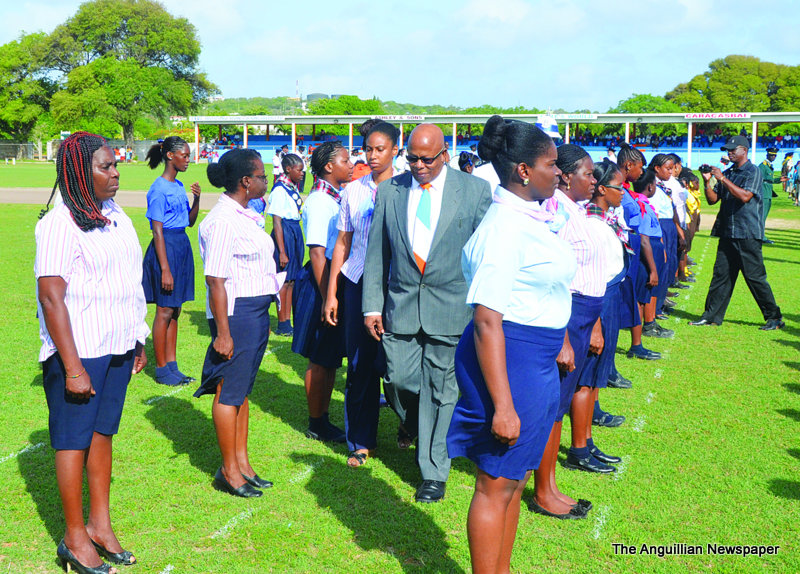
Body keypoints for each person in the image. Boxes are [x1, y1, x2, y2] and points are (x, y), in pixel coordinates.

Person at [446, 116, 577, 572]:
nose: (559, 173)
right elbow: (486, 320)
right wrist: (502, 405)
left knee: (514, 479)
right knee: (495, 482)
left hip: (534, 357)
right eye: (551, 165)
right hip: (510, 357)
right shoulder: (503, 228)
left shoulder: (530, 217)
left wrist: (558, 337)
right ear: (523, 171)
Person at [36, 131, 148, 573]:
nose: (116, 173)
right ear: (81, 172)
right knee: (73, 442)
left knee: (104, 434)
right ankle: (74, 536)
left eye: (116, 164)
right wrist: (73, 366)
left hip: (116, 344)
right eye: (106, 166)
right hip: (80, 353)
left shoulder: (116, 214)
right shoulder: (59, 224)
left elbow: (129, 279)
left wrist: (137, 336)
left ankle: (100, 525)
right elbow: (51, 298)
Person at [363, 124, 492, 503]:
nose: (419, 166)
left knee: (441, 390)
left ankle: (433, 472)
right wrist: (373, 304)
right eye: (412, 158)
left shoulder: (474, 191)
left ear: (445, 154)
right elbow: (376, 253)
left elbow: (485, 253)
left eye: (427, 159)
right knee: (399, 380)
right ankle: (418, 426)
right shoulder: (390, 189)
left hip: (452, 309)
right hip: (400, 307)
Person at [195, 148, 284, 498]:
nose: (266, 180)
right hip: (237, 314)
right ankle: (229, 471)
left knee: (241, 391)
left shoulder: (245, 214)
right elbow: (215, 279)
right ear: (246, 181)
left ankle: (243, 464)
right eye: (262, 176)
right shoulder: (222, 221)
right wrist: (224, 333)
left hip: (255, 312)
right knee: (229, 393)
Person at [531, 144, 601, 518]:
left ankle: (551, 485)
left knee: (558, 407)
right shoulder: (555, 211)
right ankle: (544, 491)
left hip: (581, 315)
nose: (594, 180)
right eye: (588, 174)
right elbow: (552, 279)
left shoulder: (575, 209)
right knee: (553, 408)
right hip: (565, 318)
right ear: (568, 175)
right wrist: (562, 338)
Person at [323, 122, 398, 467]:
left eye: (379, 149)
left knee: (399, 364)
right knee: (360, 365)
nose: (372, 155)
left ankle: (408, 426)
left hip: (398, 287)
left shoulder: (408, 189)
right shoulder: (353, 191)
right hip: (357, 282)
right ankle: (361, 440)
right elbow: (342, 242)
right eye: (368, 149)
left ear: (395, 150)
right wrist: (331, 293)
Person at [567, 160, 631, 474]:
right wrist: (594, 325)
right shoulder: (590, 222)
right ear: (603, 189)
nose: (624, 192)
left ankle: (588, 442)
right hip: (598, 302)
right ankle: (578, 449)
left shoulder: (601, 219)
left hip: (609, 297)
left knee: (595, 381)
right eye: (620, 187)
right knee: (585, 380)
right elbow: (588, 274)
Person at [292, 141, 353, 442]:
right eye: (345, 159)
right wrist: (327, 296)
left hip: (332, 281)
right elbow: (317, 253)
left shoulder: (336, 197)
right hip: (322, 281)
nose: (351, 163)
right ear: (329, 166)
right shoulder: (319, 201)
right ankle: (317, 422)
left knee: (329, 358)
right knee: (320, 358)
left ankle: (324, 417)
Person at [689, 136, 784, 330]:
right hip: (728, 231)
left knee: (755, 277)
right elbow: (713, 199)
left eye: (733, 149)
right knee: (721, 276)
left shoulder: (753, 171)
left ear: (744, 151)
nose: (729, 153)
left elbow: (745, 196)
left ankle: (774, 317)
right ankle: (711, 316)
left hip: (747, 232)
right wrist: (708, 182)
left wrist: (722, 178)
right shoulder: (730, 171)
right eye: (727, 150)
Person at [141, 136, 201, 386]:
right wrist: (165, 269)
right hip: (165, 248)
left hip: (180, 245)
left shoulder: (178, 186)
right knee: (164, 310)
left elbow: (188, 221)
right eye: (184, 155)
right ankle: (161, 368)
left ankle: (173, 365)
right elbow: (157, 231)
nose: (188, 160)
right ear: (170, 156)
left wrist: (197, 199)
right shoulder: (158, 189)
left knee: (175, 309)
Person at [260, 153, 305, 336]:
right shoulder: (279, 190)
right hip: (284, 232)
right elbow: (276, 221)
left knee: (292, 280)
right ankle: (282, 322)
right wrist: (282, 251)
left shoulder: (291, 186)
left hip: (294, 230)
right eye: (299, 170)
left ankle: (288, 321)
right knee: (283, 280)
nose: (302, 173)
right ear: (288, 169)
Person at [758, 146, 785, 243]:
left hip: (768, 193)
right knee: (761, 216)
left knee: (763, 216)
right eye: (771, 155)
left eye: (774, 156)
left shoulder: (769, 166)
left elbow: (770, 180)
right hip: (764, 193)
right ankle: (761, 237)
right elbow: (760, 179)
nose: (773, 157)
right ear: (767, 155)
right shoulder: (763, 166)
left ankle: (761, 236)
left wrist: (779, 180)